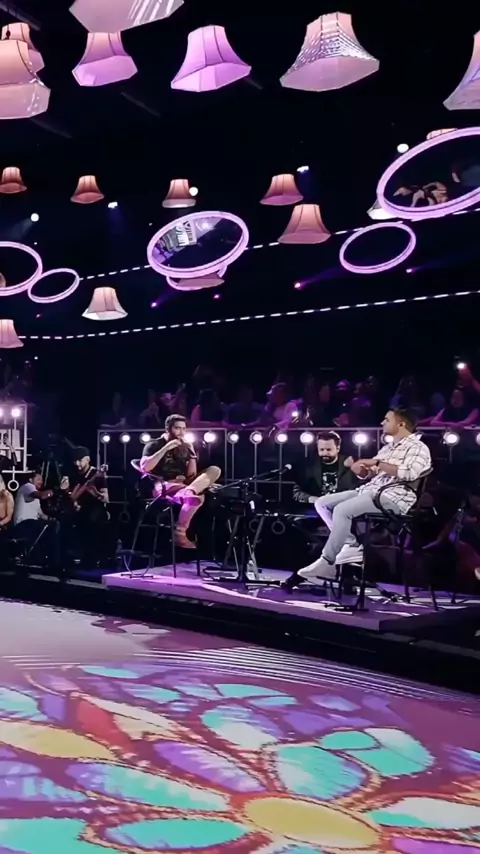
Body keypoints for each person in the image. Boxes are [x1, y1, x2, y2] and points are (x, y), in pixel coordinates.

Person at [297, 408, 432, 582]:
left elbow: (409, 473)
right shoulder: (389, 448)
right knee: (323, 503)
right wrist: (360, 470)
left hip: (393, 497)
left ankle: (327, 562)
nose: (382, 423)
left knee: (342, 510)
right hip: (370, 491)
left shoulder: (418, 448)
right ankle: (351, 545)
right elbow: (371, 473)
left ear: (401, 424)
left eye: (387, 419)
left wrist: (376, 462)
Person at [141, 413, 221, 548]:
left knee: (215, 470)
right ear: (167, 429)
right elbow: (145, 467)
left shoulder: (184, 446)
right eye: (177, 428)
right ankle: (180, 533)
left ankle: (189, 492)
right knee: (198, 498)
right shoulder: (154, 444)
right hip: (163, 484)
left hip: (184, 484)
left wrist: (192, 454)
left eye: (184, 429)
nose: (181, 432)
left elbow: (191, 475)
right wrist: (166, 448)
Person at [292, 431, 359, 504]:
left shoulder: (349, 464)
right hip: (315, 507)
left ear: (338, 448)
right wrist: (313, 499)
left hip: (343, 506)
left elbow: (359, 490)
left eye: (329, 450)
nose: (325, 453)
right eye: (321, 449)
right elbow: (296, 493)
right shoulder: (309, 466)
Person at [71, 448, 111, 566]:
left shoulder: (97, 475)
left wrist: (95, 493)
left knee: (92, 518)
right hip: (81, 509)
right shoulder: (75, 475)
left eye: (79, 460)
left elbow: (106, 499)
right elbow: (73, 496)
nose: (77, 463)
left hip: (95, 509)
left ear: (87, 459)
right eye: (75, 461)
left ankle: (94, 558)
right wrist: (75, 504)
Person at [14, 471, 61, 567]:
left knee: (52, 526)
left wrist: (52, 519)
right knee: (47, 530)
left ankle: (48, 558)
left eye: (42, 480)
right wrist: (56, 490)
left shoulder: (34, 496)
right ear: (31, 479)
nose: (41, 482)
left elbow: (40, 514)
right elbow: (42, 495)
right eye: (38, 479)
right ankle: (52, 560)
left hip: (31, 523)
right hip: (23, 523)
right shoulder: (28, 487)